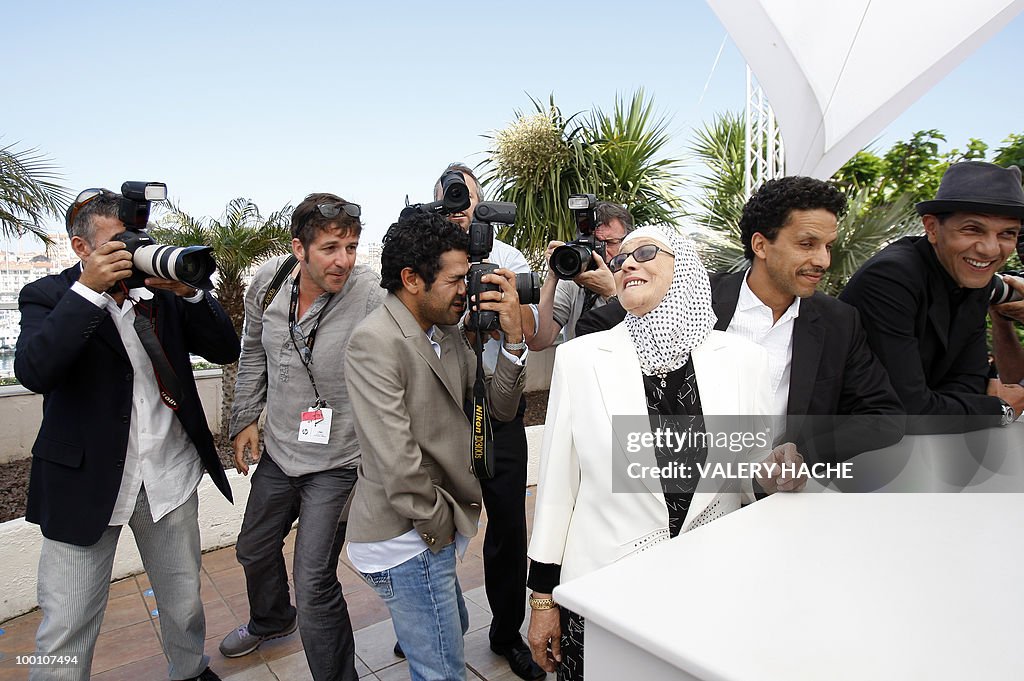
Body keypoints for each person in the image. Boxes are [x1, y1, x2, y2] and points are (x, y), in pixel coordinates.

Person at [526, 226, 806, 681]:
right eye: (621, 260)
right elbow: (558, 489)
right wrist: (542, 599)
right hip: (607, 591)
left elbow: (748, 475)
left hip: (711, 590)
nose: (626, 264)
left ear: (687, 268)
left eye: (646, 252)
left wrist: (774, 477)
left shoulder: (744, 360)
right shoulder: (581, 360)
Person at [15, 188, 239, 681]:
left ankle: (190, 669)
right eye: (120, 241)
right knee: (67, 621)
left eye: (139, 238)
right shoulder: (48, 296)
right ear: (81, 249)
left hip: (168, 476)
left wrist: (192, 294)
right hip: (86, 482)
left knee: (183, 602)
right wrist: (90, 292)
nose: (134, 249)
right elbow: (34, 370)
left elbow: (224, 349)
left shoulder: (162, 297)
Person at [578, 177, 905, 461]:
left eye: (827, 246)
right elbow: (594, 329)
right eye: (807, 244)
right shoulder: (693, 295)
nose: (822, 260)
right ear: (761, 245)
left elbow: (883, 418)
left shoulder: (838, 321)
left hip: (781, 501)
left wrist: (800, 454)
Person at [344, 210, 527, 681]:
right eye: (456, 279)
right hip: (405, 536)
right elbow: (397, 461)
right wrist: (439, 534)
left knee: (451, 627)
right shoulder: (375, 343)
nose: (468, 289)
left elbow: (499, 410)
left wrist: (511, 339)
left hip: (431, 525)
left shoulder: (446, 331)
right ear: (411, 279)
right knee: (443, 670)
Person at [220, 193, 384, 681]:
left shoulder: (370, 291)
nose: (344, 260)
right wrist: (245, 418)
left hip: (338, 463)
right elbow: (253, 351)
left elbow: (423, 322)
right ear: (300, 248)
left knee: (313, 582)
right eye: (331, 248)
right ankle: (272, 619)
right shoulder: (268, 284)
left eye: (352, 246)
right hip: (281, 451)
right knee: (253, 547)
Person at [429, 163, 544, 679]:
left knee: (508, 526)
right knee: (431, 524)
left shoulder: (509, 259)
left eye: (468, 200)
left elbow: (534, 329)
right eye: (450, 202)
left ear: (484, 204)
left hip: (500, 408)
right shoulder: (425, 257)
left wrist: (507, 317)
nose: (461, 211)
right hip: (445, 411)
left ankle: (506, 632)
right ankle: (432, 622)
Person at [840, 161, 1024, 432]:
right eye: (973, 229)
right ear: (932, 228)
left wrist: (944, 404)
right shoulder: (891, 277)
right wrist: (998, 409)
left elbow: (970, 382)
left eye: (1007, 234)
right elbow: (906, 409)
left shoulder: (975, 278)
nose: (989, 249)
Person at [529, 202, 634, 350]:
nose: (600, 251)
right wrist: (553, 275)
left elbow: (645, 335)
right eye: (594, 243)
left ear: (628, 242)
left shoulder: (636, 278)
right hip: (580, 370)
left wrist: (611, 293)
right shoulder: (574, 281)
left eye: (609, 243)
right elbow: (538, 342)